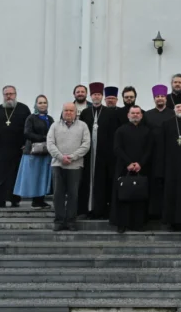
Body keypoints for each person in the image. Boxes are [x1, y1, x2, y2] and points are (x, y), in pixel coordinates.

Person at [0, 86, 32, 208]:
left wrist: (27, 145)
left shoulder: (23, 109)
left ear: (15, 94)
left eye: (11, 93)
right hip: (0, 148)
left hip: (18, 149)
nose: (9, 96)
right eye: (6, 94)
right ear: (3, 95)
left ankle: (15, 199)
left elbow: (29, 128)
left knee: (15, 175)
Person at [47, 102, 91, 231]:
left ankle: (71, 221)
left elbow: (86, 144)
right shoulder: (54, 126)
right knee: (58, 194)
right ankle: (59, 221)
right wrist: (61, 157)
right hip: (57, 165)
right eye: (66, 110)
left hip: (75, 166)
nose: (68, 113)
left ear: (76, 112)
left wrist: (72, 157)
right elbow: (50, 144)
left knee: (73, 194)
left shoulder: (83, 126)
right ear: (62, 111)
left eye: (71, 110)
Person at [79, 82, 117, 219]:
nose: (96, 97)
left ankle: (101, 210)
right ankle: (86, 209)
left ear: (102, 96)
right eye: (94, 94)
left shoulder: (109, 113)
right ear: (91, 96)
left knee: (102, 182)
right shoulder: (85, 112)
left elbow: (113, 133)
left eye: (99, 94)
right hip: (88, 154)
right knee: (86, 182)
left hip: (104, 154)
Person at [110, 106, 152, 233]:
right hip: (124, 168)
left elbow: (149, 149)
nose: (135, 115)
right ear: (128, 115)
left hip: (141, 169)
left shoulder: (147, 131)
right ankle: (121, 224)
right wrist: (128, 163)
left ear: (141, 115)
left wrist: (140, 163)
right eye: (132, 113)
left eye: (137, 113)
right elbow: (117, 148)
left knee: (138, 196)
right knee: (123, 196)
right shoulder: (120, 130)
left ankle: (138, 224)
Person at [14, 95, 54, 209]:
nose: (42, 105)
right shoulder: (31, 118)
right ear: (36, 104)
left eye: (44, 102)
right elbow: (27, 133)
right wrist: (43, 137)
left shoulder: (49, 119)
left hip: (45, 152)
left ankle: (40, 200)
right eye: (40, 103)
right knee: (34, 176)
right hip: (33, 152)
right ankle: (34, 199)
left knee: (43, 176)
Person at [144, 85, 176, 219]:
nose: (160, 99)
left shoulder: (172, 114)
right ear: (154, 98)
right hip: (152, 154)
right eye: (157, 97)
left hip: (169, 154)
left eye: (162, 96)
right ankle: (152, 212)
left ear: (166, 98)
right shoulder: (147, 114)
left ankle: (166, 213)